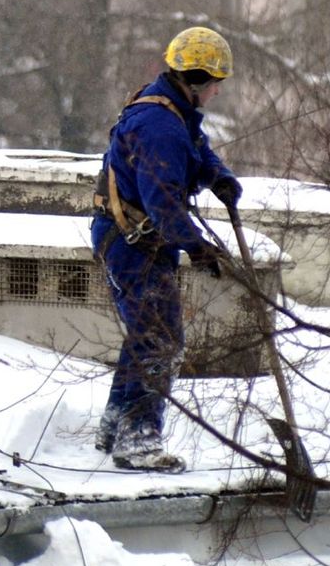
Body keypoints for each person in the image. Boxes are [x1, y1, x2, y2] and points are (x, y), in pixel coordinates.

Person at [90, 26, 242, 472]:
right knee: (161, 339)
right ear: (196, 80)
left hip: (136, 240)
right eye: (215, 82)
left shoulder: (170, 106)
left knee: (147, 335)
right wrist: (198, 248)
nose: (217, 92)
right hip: (133, 244)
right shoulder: (160, 128)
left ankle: (115, 426)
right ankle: (137, 443)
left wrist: (219, 177)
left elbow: (198, 147)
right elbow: (164, 207)